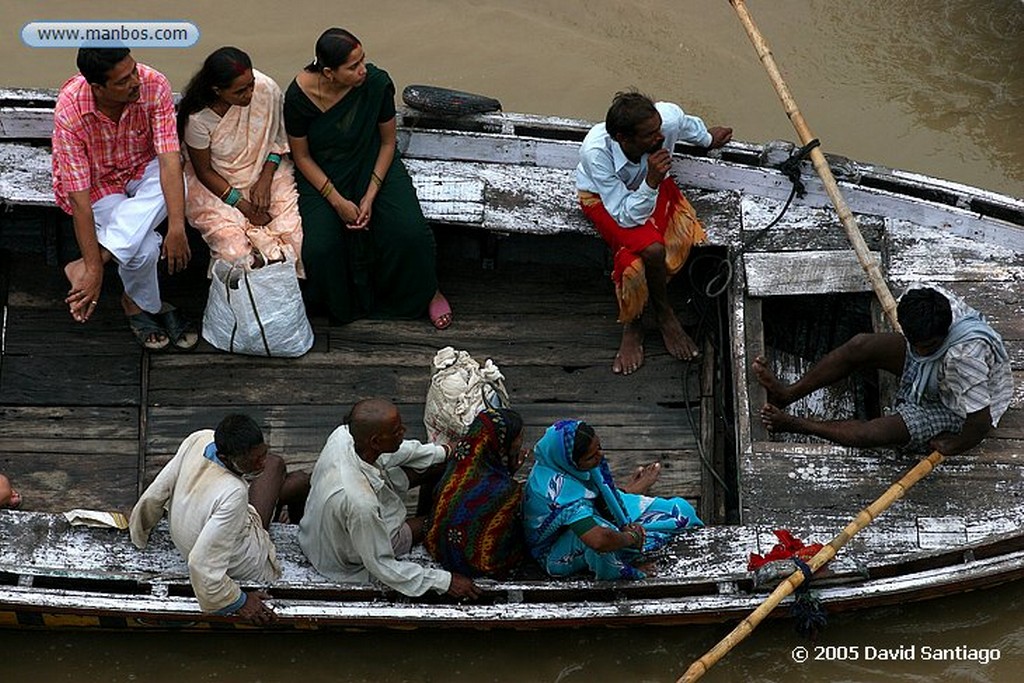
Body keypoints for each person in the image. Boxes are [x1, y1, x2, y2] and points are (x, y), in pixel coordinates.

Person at [283, 28, 452, 328]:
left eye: (363, 60)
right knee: (319, 248)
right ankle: (339, 303)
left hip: (371, 161)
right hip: (322, 173)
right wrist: (337, 202)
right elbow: (302, 156)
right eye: (353, 66)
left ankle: (427, 290)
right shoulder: (298, 97)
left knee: (409, 232)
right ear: (328, 72)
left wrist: (370, 196)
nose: (363, 70)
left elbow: (388, 142)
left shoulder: (375, 83)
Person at [576, 91, 732, 375]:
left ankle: (653, 315)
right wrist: (650, 181)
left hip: (652, 185)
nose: (659, 138)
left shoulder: (665, 123)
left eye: (658, 129)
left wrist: (707, 139)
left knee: (653, 248)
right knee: (650, 250)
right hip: (605, 200)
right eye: (649, 135)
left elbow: (683, 123)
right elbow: (623, 214)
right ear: (623, 138)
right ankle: (648, 317)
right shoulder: (595, 153)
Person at [756, 285, 1013, 455]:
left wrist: (954, 445)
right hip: (939, 370)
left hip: (955, 406)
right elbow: (918, 347)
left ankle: (797, 424)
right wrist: (920, 350)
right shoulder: (927, 301)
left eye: (927, 346)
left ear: (942, 335)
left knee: (875, 432)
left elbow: (979, 422)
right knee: (861, 345)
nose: (918, 352)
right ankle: (787, 394)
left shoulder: (966, 360)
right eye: (914, 343)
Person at [53, 47, 197, 351]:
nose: (135, 81)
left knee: (176, 182)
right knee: (142, 250)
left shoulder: (153, 84)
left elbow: (170, 160)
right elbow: (79, 201)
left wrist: (176, 227)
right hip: (98, 183)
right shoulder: (70, 111)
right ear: (98, 87)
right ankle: (140, 303)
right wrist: (95, 271)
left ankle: (97, 259)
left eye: (134, 70)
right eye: (123, 80)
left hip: (143, 167)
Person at [129, 415, 311, 624]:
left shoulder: (199, 439)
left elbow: (155, 494)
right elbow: (200, 563)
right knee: (286, 472)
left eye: (263, 453)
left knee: (274, 465)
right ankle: (292, 518)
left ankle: (282, 508)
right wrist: (240, 600)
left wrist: (139, 532)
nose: (261, 462)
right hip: (244, 566)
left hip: (192, 535)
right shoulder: (233, 493)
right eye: (254, 460)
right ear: (224, 458)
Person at [298, 398, 480, 600]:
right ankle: (427, 523)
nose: (403, 430)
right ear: (375, 441)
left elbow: (398, 451)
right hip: (344, 558)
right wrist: (445, 582)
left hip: (317, 534)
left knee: (432, 464)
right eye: (397, 431)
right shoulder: (361, 503)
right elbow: (380, 564)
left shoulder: (343, 435)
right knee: (437, 520)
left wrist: (443, 451)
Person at [523, 419, 703, 580]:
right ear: (571, 462)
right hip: (555, 551)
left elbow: (606, 493)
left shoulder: (564, 461)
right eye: (591, 457)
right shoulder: (559, 492)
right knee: (604, 539)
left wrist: (625, 525)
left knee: (680, 511)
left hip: (591, 511)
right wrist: (631, 537)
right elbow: (598, 541)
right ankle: (623, 571)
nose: (600, 456)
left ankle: (627, 534)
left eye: (599, 447)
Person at [178, 47, 303, 275]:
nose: (250, 93)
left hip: (267, 169)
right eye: (240, 91)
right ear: (217, 90)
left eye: (251, 84)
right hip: (217, 183)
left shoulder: (266, 89)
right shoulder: (198, 118)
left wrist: (265, 179)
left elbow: (276, 139)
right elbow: (204, 171)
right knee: (233, 250)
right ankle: (242, 307)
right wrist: (245, 207)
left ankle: (281, 306)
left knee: (291, 234)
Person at [425, 408, 529, 578]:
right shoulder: (506, 489)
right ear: (502, 442)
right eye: (518, 436)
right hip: (478, 565)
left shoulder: (456, 466)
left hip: (440, 552)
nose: (521, 441)